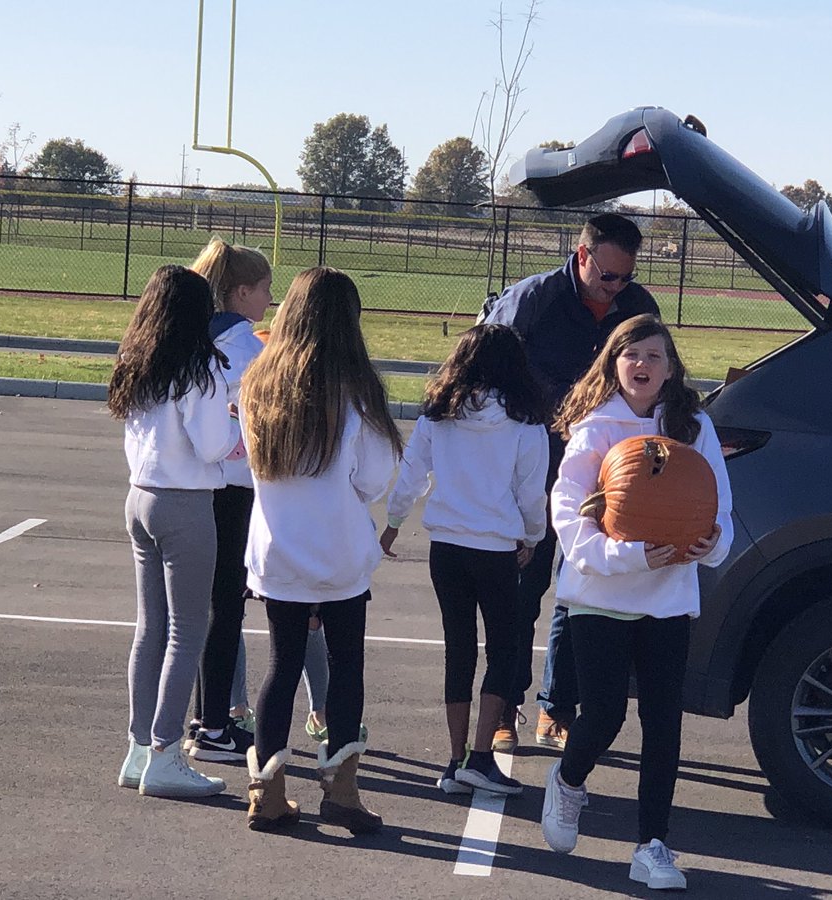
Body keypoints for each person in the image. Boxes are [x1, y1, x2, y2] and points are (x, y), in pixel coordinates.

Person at [538, 314, 733, 891]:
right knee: (603, 715)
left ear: (671, 368)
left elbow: (719, 508)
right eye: (632, 354)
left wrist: (709, 542)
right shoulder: (594, 430)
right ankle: (569, 780)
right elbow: (569, 521)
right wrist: (631, 557)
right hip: (599, 596)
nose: (643, 364)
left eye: (654, 355)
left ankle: (652, 846)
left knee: (662, 722)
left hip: (668, 599)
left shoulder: (694, 428)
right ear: (614, 363)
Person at [483, 213, 660, 752]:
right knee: (523, 589)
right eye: (608, 276)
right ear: (582, 256)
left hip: (608, 476)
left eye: (625, 278)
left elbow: (657, 370)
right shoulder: (533, 299)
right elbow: (489, 367)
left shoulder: (637, 307)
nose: (617, 288)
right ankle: (504, 704)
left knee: (580, 592)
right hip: (535, 470)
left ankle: (557, 708)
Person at [237, 266, 402, 833]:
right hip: (338, 552)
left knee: (281, 666)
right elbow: (374, 480)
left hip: (277, 549)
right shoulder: (355, 393)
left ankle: (266, 792)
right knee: (346, 666)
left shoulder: (258, 383)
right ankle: (343, 793)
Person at [380, 324, 549, 796]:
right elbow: (531, 493)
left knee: (459, 647)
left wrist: (393, 522)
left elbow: (412, 473)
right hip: (494, 546)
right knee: (504, 647)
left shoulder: (439, 414)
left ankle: (454, 761)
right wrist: (533, 536)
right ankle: (480, 756)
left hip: (446, 547)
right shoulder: (524, 423)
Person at [111, 264, 242, 798]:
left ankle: (140, 749)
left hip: (139, 497)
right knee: (188, 631)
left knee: (151, 627)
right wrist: (238, 418)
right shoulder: (200, 369)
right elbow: (213, 446)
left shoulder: (138, 362)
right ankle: (165, 753)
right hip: (185, 503)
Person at [185, 236, 273, 764]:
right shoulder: (250, 350)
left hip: (194, 486)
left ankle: (205, 718)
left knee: (200, 611)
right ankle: (215, 724)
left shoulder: (193, 340)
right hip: (235, 491)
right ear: (241, 292)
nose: (269, 298)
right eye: (264, 288)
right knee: (224, 611)